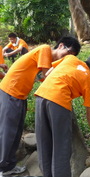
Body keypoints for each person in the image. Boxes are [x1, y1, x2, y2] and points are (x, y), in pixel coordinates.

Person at [0, 36, 81, 176]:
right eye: (67, 54)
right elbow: (48, 78)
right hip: (10, 91)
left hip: (19, 95)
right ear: (61, 46)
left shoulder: (48, 61)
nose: (66, 58)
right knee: (8, 132)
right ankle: (2, 166)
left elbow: (43, 79)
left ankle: (8, 166)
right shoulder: (45, 50)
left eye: (71, 57)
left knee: (15, 132)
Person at [35, 51, 90, 177]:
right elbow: (89, 113)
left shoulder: (70, 59)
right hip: (59, 102)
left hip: (41, 96)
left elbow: (47, 73)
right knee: (61, 147)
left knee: (44, 143)